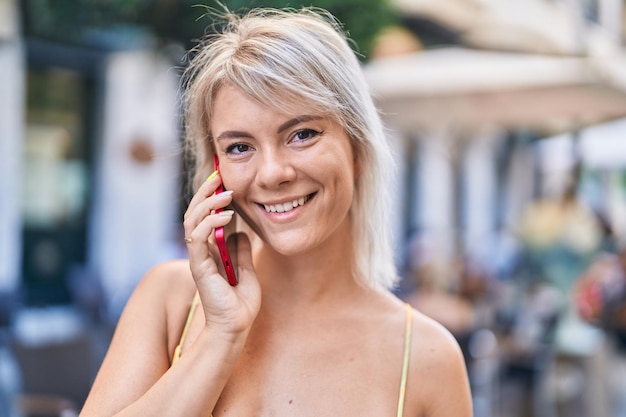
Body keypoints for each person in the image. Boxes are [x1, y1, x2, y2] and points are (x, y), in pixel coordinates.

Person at [79, 7, 472, 417]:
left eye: (302, 134)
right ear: (217, 170)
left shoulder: (427, 358)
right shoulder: (172, 300)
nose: (272, 173)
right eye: (239, 147)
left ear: (357, 148)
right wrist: (220, 337)